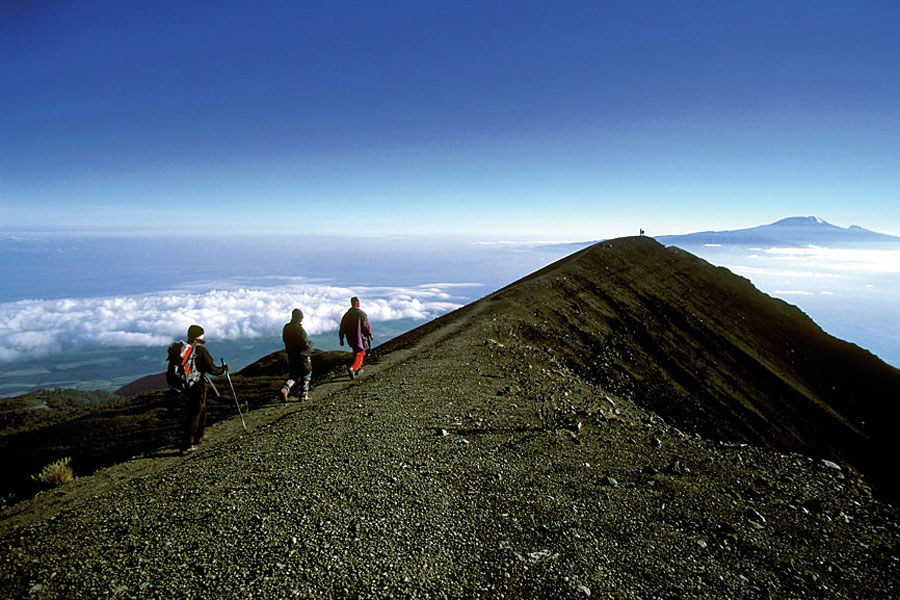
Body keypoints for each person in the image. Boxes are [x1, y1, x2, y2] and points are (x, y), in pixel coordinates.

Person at [181, 324, 227, 454]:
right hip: (197, 384)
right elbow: (212, 369)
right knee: (195, 411)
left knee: (199, 408)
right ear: (199, 335)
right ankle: (186, 445)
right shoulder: (200, 350)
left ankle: (199, 435)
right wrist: (222, 370)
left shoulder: (185, 349)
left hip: (187, 384)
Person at [280, 308, 312, 402]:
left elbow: (284, 339)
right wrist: (309, 345)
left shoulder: (286, 327)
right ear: (300, 318)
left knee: (294, 373)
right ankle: (303, 395)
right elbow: (304, 343)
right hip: (301, 355)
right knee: (307, 372)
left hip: (291, 355)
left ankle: (285, 389)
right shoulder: (300, 330)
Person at [339, 296, 373, 379]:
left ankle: (358, 369)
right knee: (361, 353)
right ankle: (353, 368)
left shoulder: (346, 315)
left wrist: (341, 339)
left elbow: (342, 328)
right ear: (358, 303)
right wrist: (370, 334)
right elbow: (366, 326)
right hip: (359, 338)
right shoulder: (361, 314)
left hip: (350, 338)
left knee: (356, 352)